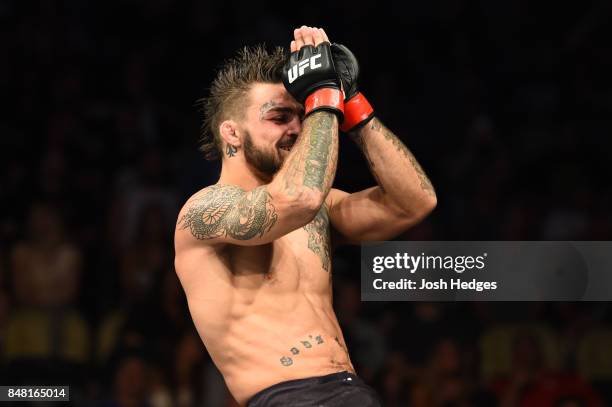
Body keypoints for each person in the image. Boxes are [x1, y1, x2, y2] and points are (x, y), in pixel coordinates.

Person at [174, 25, 437, 406]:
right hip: (289, 396)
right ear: (231, 133)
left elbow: (415, 202)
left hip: (350, 390)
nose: (298, 127)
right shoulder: (203, 211)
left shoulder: (320, 207)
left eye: (301, 115)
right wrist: (323, 97)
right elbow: (299, 198)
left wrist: (354, 103)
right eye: (279, 117)